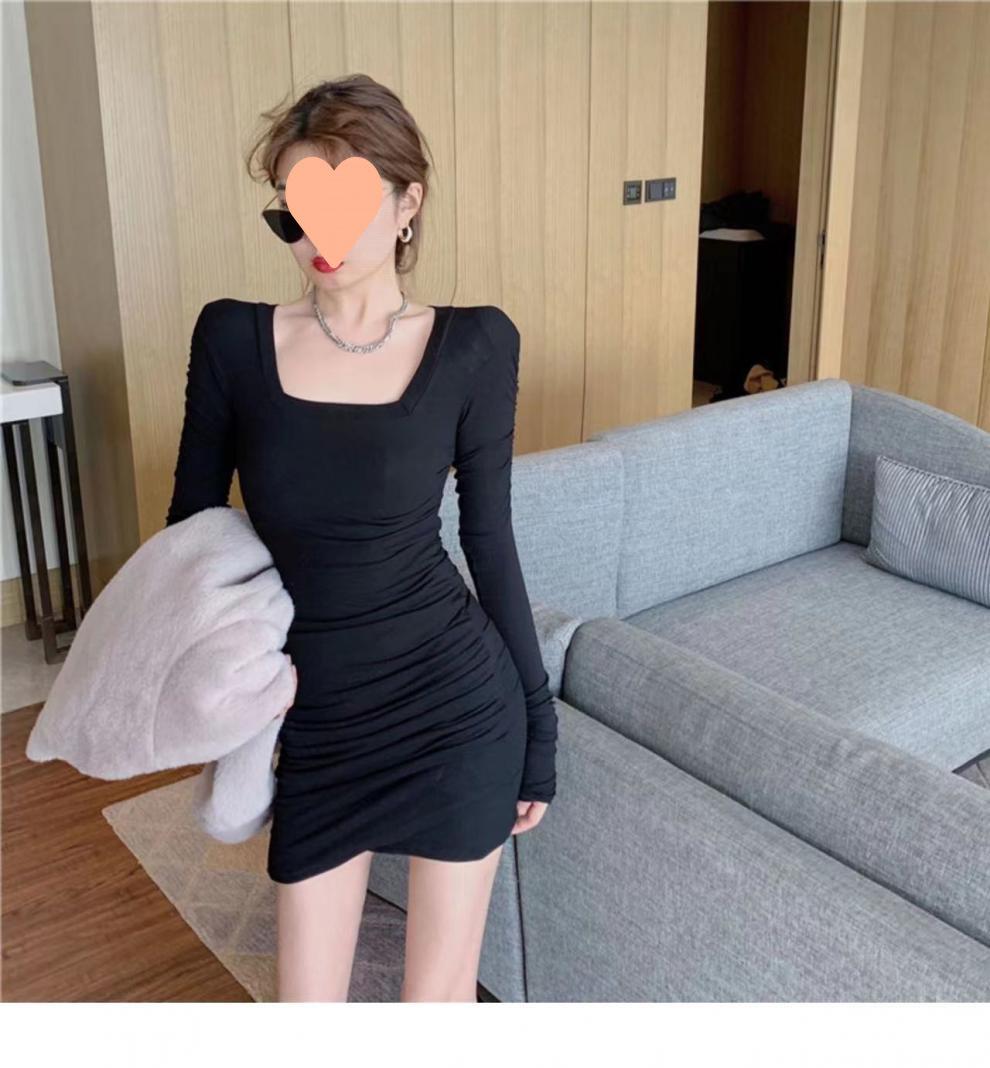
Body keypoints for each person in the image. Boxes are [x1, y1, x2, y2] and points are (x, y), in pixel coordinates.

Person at [164, 74, 557, 1003]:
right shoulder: (232, 341)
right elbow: (191, 539)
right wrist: (223, 687)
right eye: (294, 209)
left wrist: (538, 728)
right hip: (318, 718)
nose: (317, 235)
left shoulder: (475, 345)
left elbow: (489, 541)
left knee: (433, 1010)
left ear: (408, 202)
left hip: (457, 709)